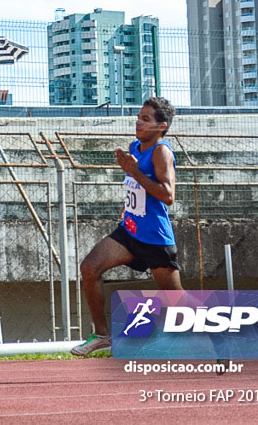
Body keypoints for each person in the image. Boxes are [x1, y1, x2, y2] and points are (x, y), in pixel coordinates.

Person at [71, 97, 181, 357]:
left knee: (178, 300)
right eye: (138, 117)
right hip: (130, 231)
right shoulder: (136, 147)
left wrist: (134, 172)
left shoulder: (161, 152)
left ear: (161, 126)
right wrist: (129, 203)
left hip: (155, 239)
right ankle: (102, 335)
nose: (138, 123)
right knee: (89, 268)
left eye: (145, 119)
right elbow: (137, 190)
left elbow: (168, 195)